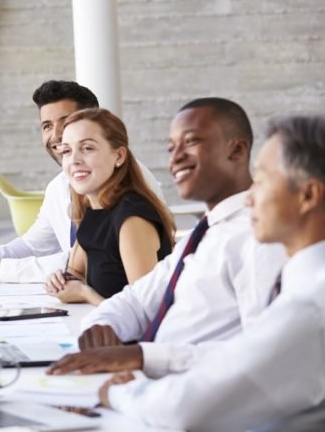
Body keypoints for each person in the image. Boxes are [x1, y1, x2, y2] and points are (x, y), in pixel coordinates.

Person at [99, 114, 325, 431]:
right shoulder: (302, 288)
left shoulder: (310, 306)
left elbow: (186, 407)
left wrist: (120, 391)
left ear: (308, 196)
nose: (250, 197)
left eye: (261, 180)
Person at [47, 98, 286, 379]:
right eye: (171, 147)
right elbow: (137, 299)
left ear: (238, 149)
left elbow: (262, 353)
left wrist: (142, 356)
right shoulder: (201, 236)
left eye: (191, 142)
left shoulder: (258, 238)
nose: (175, 158)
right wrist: (102, 326)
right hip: (149, 381)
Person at [0, 80, 163, 283]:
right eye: (47, 126)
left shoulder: (131, 192)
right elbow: (34, 245)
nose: (57, 136)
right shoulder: (61, 185)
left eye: (67, 123)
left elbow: (97, 262)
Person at [44, 108, 174, 304]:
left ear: (119, 156)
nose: (74, 160)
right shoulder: (93, 207)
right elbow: (75, 271)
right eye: (67, 151)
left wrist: (85, 294)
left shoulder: (133, 218)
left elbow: (147, 310)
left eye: (87, 148)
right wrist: (61, 280)